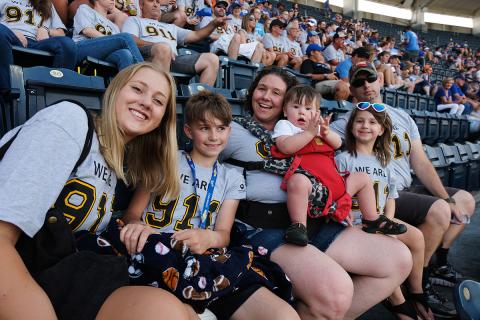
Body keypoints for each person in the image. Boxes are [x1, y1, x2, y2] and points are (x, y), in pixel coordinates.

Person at [0, 62, 192, 319]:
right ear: (114, 92)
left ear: (161, 121)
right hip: (17, 269)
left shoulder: (117, 164)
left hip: (61, 276)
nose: (146, 102)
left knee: (182, 311)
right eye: (137, 89)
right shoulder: (69, 119)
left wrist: (136, 224)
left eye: (158, 101)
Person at [221, 67, 413, 319]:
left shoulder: (307, 131)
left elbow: (331, 160)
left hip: (318, 217)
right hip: (264, 225)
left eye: (276, 92)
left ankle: (324, 314)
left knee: (398, 259)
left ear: (289, 101)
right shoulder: (234, 130)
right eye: (261, 89)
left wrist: (336, 203)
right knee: (336, 292)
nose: (266, 97)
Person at [119, 91, 300, 320]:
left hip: (201, 255)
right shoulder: (167, 160)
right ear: (188, 131)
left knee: (285, 316)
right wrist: (138, 225)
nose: (214, 136)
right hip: (156, 250)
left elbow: (223, 233)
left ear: (229, 131)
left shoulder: (232, 178)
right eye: (204, 128)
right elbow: (132, 214)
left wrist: (208, 238)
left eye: (221, 128)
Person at [331, 61, 475, 319]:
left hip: (404, 186)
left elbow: (420, 161)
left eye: (370, 79)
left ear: (381, 81)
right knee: (440, 210)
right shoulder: (349, 120)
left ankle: (436, 263)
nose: (365, 85)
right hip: (380, 191)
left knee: (463, 200)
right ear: (351, 89)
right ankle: (419, 283)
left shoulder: (403, 117)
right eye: (358, 82)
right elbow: (322, 140)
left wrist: (446, 195)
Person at [270, 85, 406, 246]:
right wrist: (309, 133)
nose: (302, 112)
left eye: (308, 108)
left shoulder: (318, 129)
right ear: (285, 111)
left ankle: (372, 219)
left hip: (333, 183)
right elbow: (286, 147)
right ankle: (299, 226)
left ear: (316, 113)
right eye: (296, 107)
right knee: (297, 182)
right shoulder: (286, 126)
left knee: (362, 178)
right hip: (311, 184)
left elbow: (337, 144)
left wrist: (326, 132)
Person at [335, 103, 434, 320]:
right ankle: (399, 303)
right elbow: (338, 196)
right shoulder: (343, 159)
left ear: (381, 130)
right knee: (395, 253)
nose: (365, 126)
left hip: (380, 221)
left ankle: (416, 292)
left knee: (416, 237)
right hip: (355, 224)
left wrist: (387, 221)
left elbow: (390, 198)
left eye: (372, 122)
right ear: (351, 127)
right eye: (359, 121)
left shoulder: (385, 162)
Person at [122, 0, 221, 86]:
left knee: (212, 59)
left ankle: (199, 106)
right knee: (164, 49)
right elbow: (129, 40)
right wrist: (159, 47)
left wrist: (214, 24)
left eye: (157, 2)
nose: (156, 4)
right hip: (147, 57)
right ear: (141, 5)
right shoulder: (134, 20)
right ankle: (161, 99)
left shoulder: (171, 27)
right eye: (151, 1)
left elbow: (196, 35)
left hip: (172, 60)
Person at [0, 0, 76, 93]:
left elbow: (61, 33)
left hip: (37, 43)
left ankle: (55, 95)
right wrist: (11, 32)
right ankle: (6, 93)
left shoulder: (47, 4)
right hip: (9, 39)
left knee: (68, 44)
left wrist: (46, 30)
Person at [73, 0, 144, 71]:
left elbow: (116, 42)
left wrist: (112, 41)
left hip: (104, 54)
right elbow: (87, 30)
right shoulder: (85, 9)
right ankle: (143, 72)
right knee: (125, 37)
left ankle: (127, 81)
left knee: (125, 54)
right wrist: (111, 40)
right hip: (82, 48)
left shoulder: (114, 26)